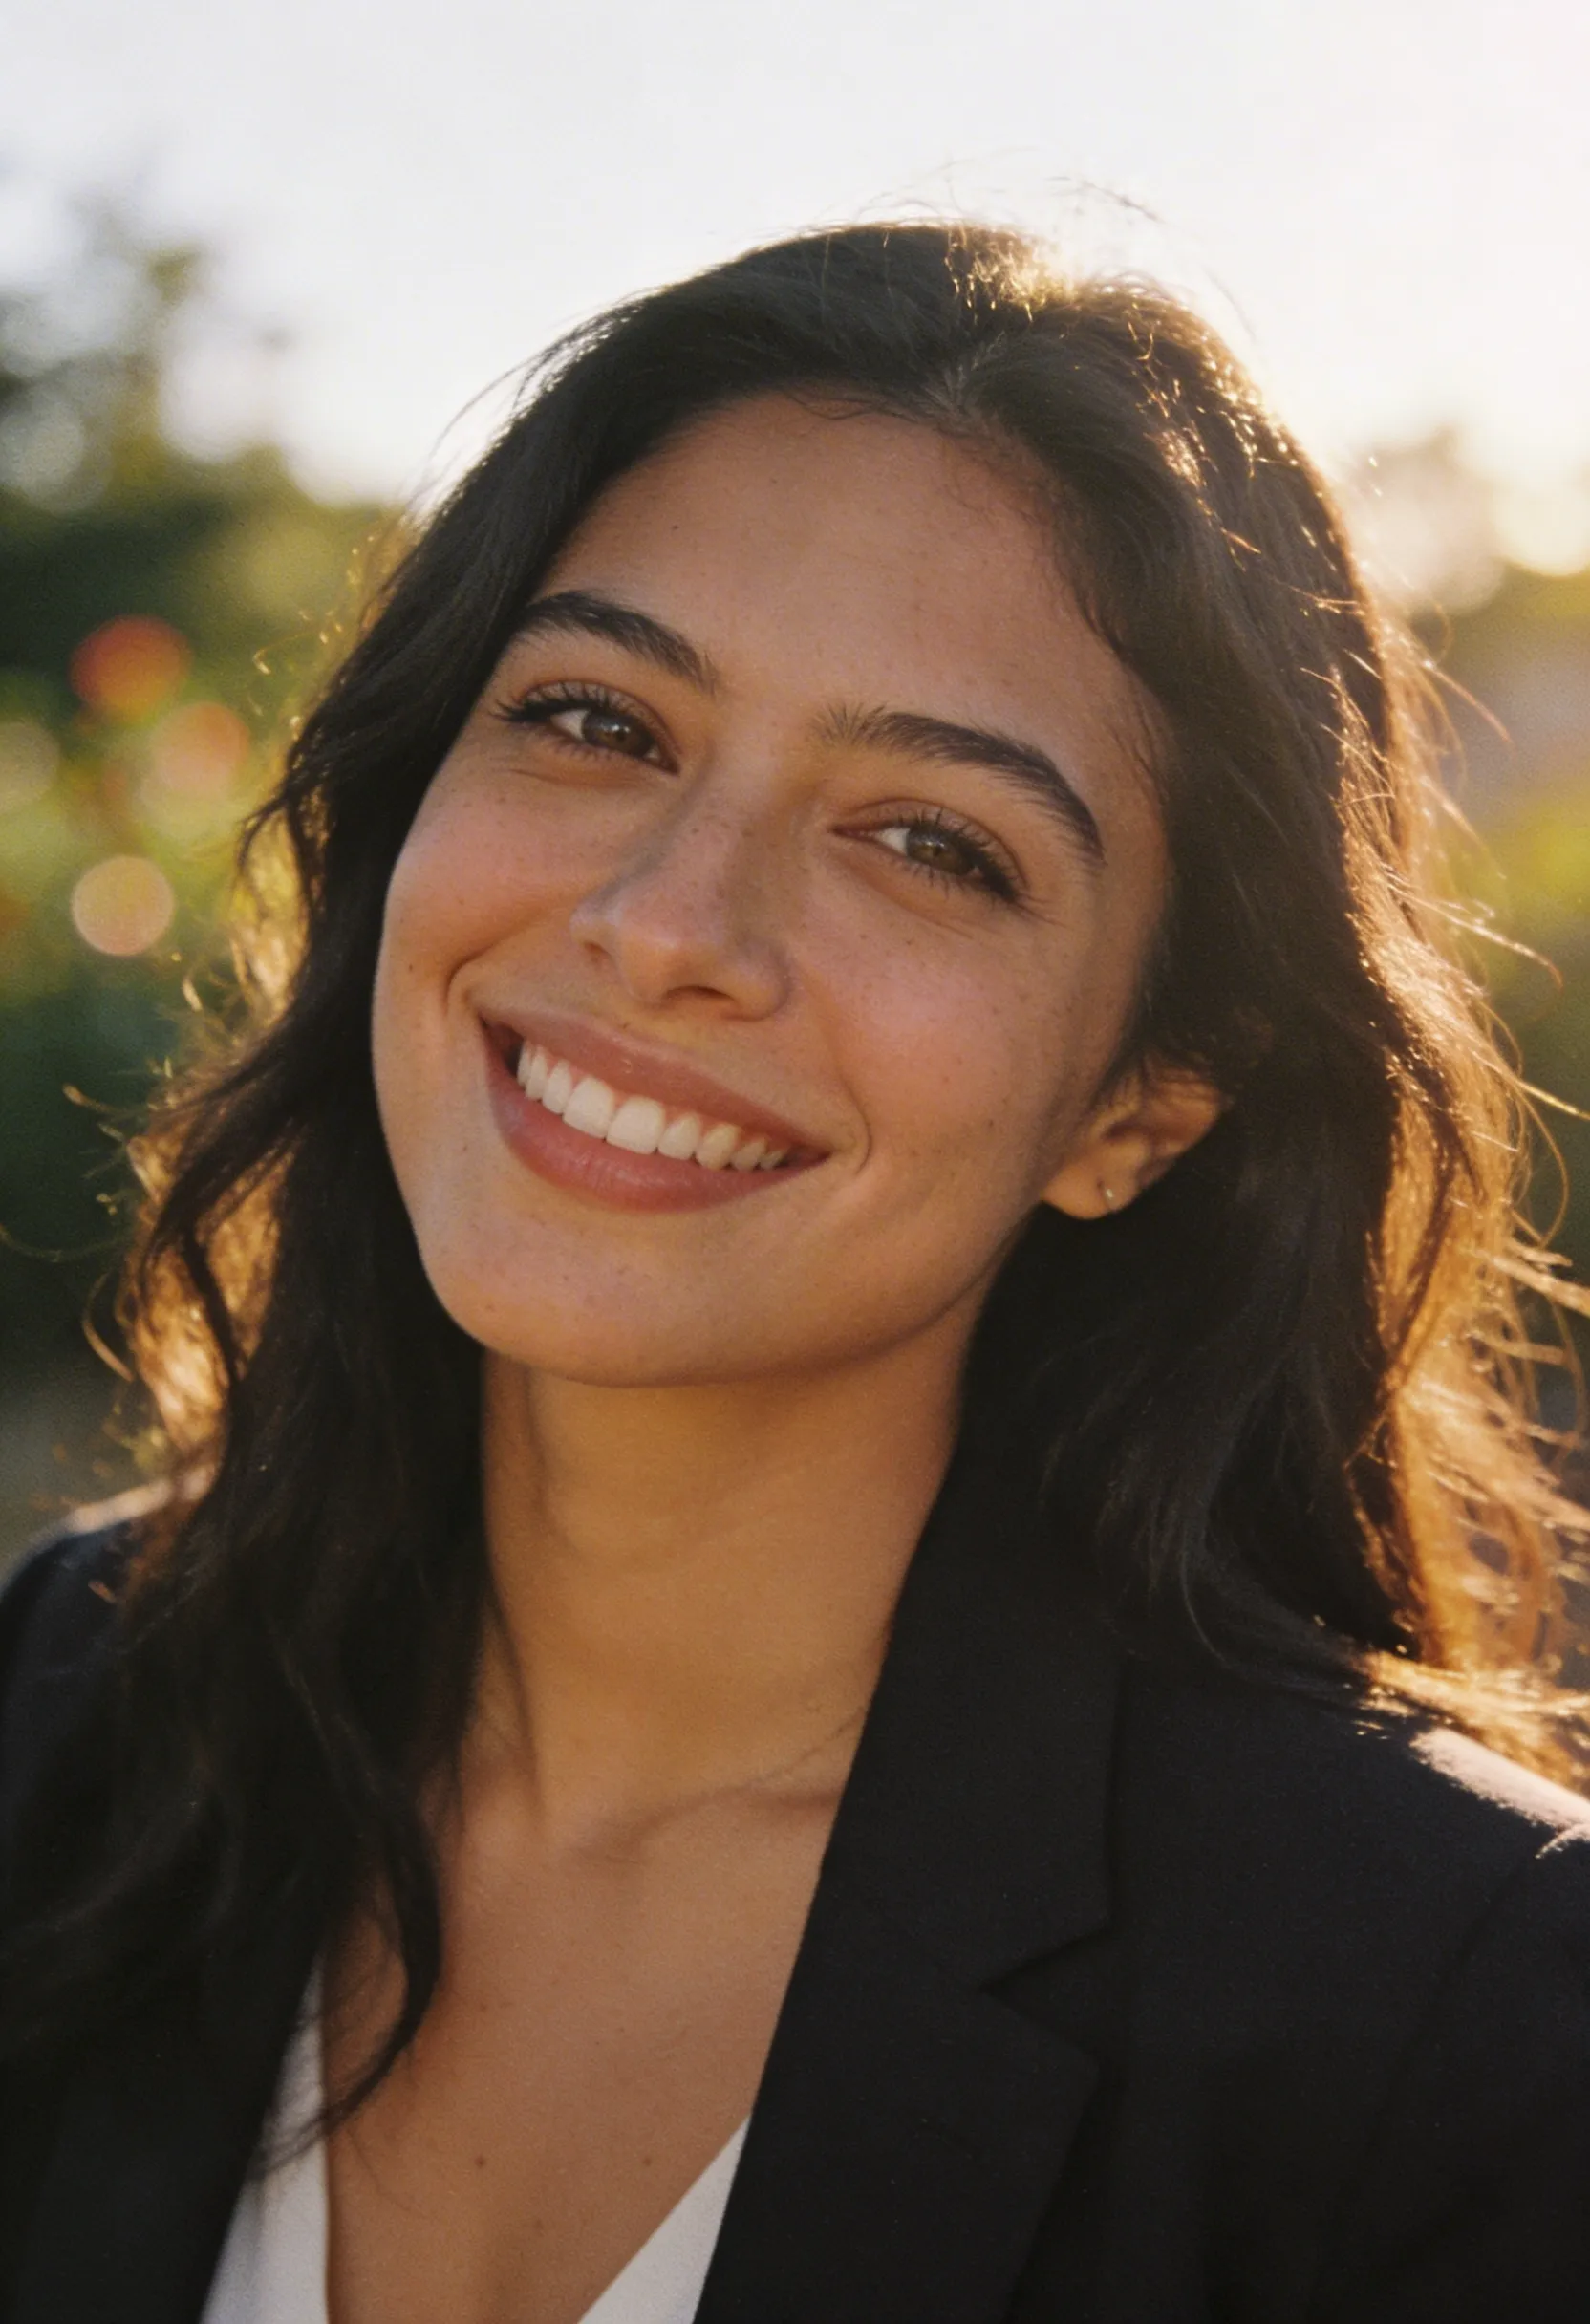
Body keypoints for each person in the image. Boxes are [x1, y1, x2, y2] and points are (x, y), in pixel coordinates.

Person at [3, 220, 1590, 2324]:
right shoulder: (51, 1713)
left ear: (1147, 1099)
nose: (671, 920)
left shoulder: (1462, 2020)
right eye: (595, 718)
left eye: (930, 841)